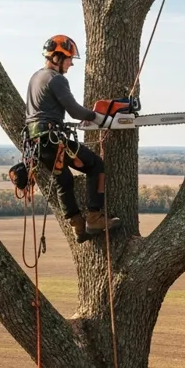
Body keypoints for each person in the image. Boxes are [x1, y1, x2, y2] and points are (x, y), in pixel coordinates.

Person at [26, 35, 120, 243]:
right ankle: (94, 217)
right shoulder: (56, 78)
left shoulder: (36, 77)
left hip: (37, 142)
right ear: (57, 57)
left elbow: (44, 111)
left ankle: (78, 227)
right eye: (68, 59)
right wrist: (99, 118)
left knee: (64, 181)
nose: (70, 64)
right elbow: (75, 110)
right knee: (95, 164)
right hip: (51, 138)